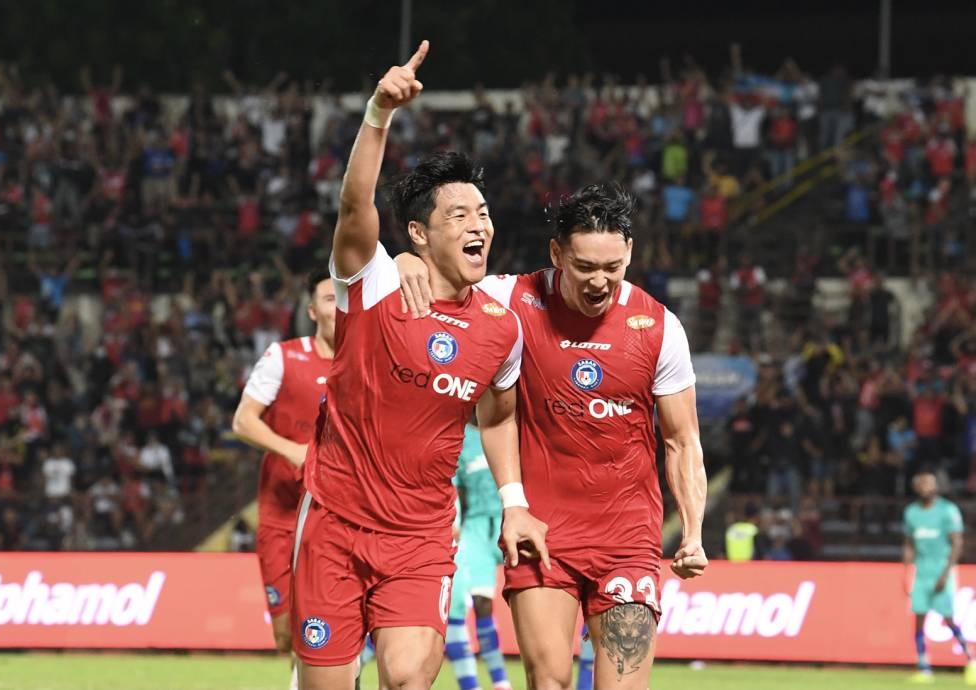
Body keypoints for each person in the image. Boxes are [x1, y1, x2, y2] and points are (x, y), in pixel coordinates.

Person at [290, 41, 549, 690]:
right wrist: (378, 111)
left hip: (421, 537)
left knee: (408, 678)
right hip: (336, 525)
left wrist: (514, 502)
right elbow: (355, 211)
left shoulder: (500, 328)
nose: (478, 226)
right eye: (458, 215)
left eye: (483, 215)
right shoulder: (372, 283)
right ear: (418, 234)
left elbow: (499, 416)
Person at [399, 182, 708, 690]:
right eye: (584, 267)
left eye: (612, 268)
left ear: (629, 252)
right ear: (556, 253)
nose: (599, 282)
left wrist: (692, 530)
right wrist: (405, 261)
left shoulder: (659, 327)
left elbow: (682, 440)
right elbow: (440, 279)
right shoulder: (509, 299)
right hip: (542, 533)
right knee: (550, 683)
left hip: (627, 537)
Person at [232, 272, 336, 689]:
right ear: (312, 312)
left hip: (333, 517)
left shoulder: (367, 363)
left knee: (324, 625)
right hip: (281, 514)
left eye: (343, 298)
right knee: (284, 634)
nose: (337, 306)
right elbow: (242, 421)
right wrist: (293, 450)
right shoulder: (284, 357)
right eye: (328, 299)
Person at [446, 421, 512, 690]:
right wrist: (455, 519)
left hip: (509, 520)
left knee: (489, 605)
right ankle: (474, 684)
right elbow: (450, 483)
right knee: (463, 602)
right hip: (473, 529)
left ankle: (499, 679)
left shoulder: (513, 428)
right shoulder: (462, 438)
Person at [903, 467, 976, 685]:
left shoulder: (948, 510)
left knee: (948, 617)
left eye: (929, 483)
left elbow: (957, 543)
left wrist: (946, 573)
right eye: (921, 483)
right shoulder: (911, 513)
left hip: (941, 568)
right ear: (916, 487)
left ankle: (970, 659)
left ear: (936, 486)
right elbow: (908, 544)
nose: (925, 487)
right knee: (918, 617)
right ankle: (923, 665)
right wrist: (906, 570)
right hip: (921, 570)